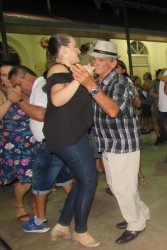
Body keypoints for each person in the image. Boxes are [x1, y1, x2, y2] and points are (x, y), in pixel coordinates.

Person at [71, 40, 150, 245]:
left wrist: (90, 85)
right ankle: (141, 213)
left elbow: (113, 110)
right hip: (108, 142)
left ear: (113, 64)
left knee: (123, 188)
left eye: (101, 59)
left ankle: (135, 223)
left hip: (123, 143)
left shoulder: (120, 82)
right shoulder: (100, 80)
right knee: (117, 186)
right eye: (94, 58)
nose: (95, 63)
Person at [42, 33, 99, 247]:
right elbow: (57, 99)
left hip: (71, 133)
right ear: (63, 50)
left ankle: (63, 225)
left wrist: (84, 77)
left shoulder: (68, 71)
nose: (78, 50)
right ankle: (80, 231)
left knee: (83, 180)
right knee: (90, 179)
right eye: (74, 46)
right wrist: (79, 79)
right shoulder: (58, 69)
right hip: (65, 135)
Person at [7, 65, 73, 233]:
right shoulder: (39, 88)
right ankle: (74, 206)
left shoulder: (41, 88)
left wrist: (18, 100)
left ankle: (40, 221)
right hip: (53, 140)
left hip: (50, 141)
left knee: (40, 182)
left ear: (27, 77)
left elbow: (40, 114)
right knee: (63, 177)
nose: (18, 89)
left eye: (18, 84)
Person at [1, 61, 38, 223]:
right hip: (13, 143)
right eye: (3, 75)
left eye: (10, 74)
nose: (8, 78)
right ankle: (18, 203)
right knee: (24, 177)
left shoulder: (26, 91)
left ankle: (38, 203)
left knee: (37, 174)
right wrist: (10, 100)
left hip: (33, 139)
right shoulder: (1, 93)